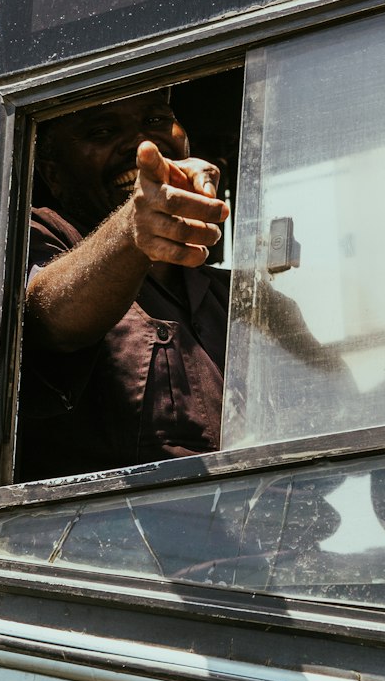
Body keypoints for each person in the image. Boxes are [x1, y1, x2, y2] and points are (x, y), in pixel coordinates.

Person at [16, 89, 232, 481]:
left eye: (155, 120)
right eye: (101, 131)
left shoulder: (230, 295)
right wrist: (133, 230)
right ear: (53, 173)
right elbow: (48, 315)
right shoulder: (32, 234)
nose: (143, 144)